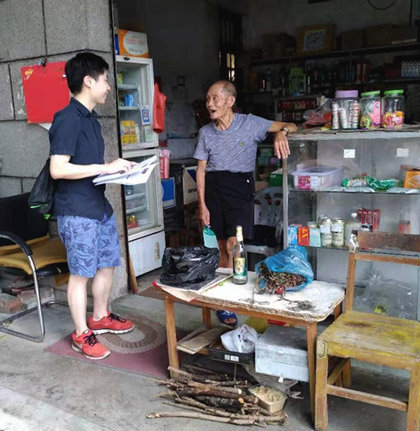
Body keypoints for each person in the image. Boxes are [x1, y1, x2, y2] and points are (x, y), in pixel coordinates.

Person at [49, 52, 135, 360]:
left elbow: (94, 166)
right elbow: (58, 169)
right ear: (88, 81)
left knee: (108, 262)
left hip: (98, 207)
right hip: (77, 211)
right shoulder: (67, 118)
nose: (109, 86)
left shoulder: (91, 119)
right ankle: (81, 332)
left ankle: (100, 316)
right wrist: (106, 168)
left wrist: (116, 170)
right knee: (81, 273)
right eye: (105, 79)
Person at [194, 80, 297, 325]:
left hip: (240, 188)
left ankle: (233, 291)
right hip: (214, 189)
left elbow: (291, 125)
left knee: (233, 243)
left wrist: (282, 132)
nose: (210, 104)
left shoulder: (250, 123)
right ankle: (224, 302)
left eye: (215, 98)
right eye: (208, 99)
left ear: (230, 101)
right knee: (219, 247)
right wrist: (202, 205)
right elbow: (200, 170)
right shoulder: (205, 133)